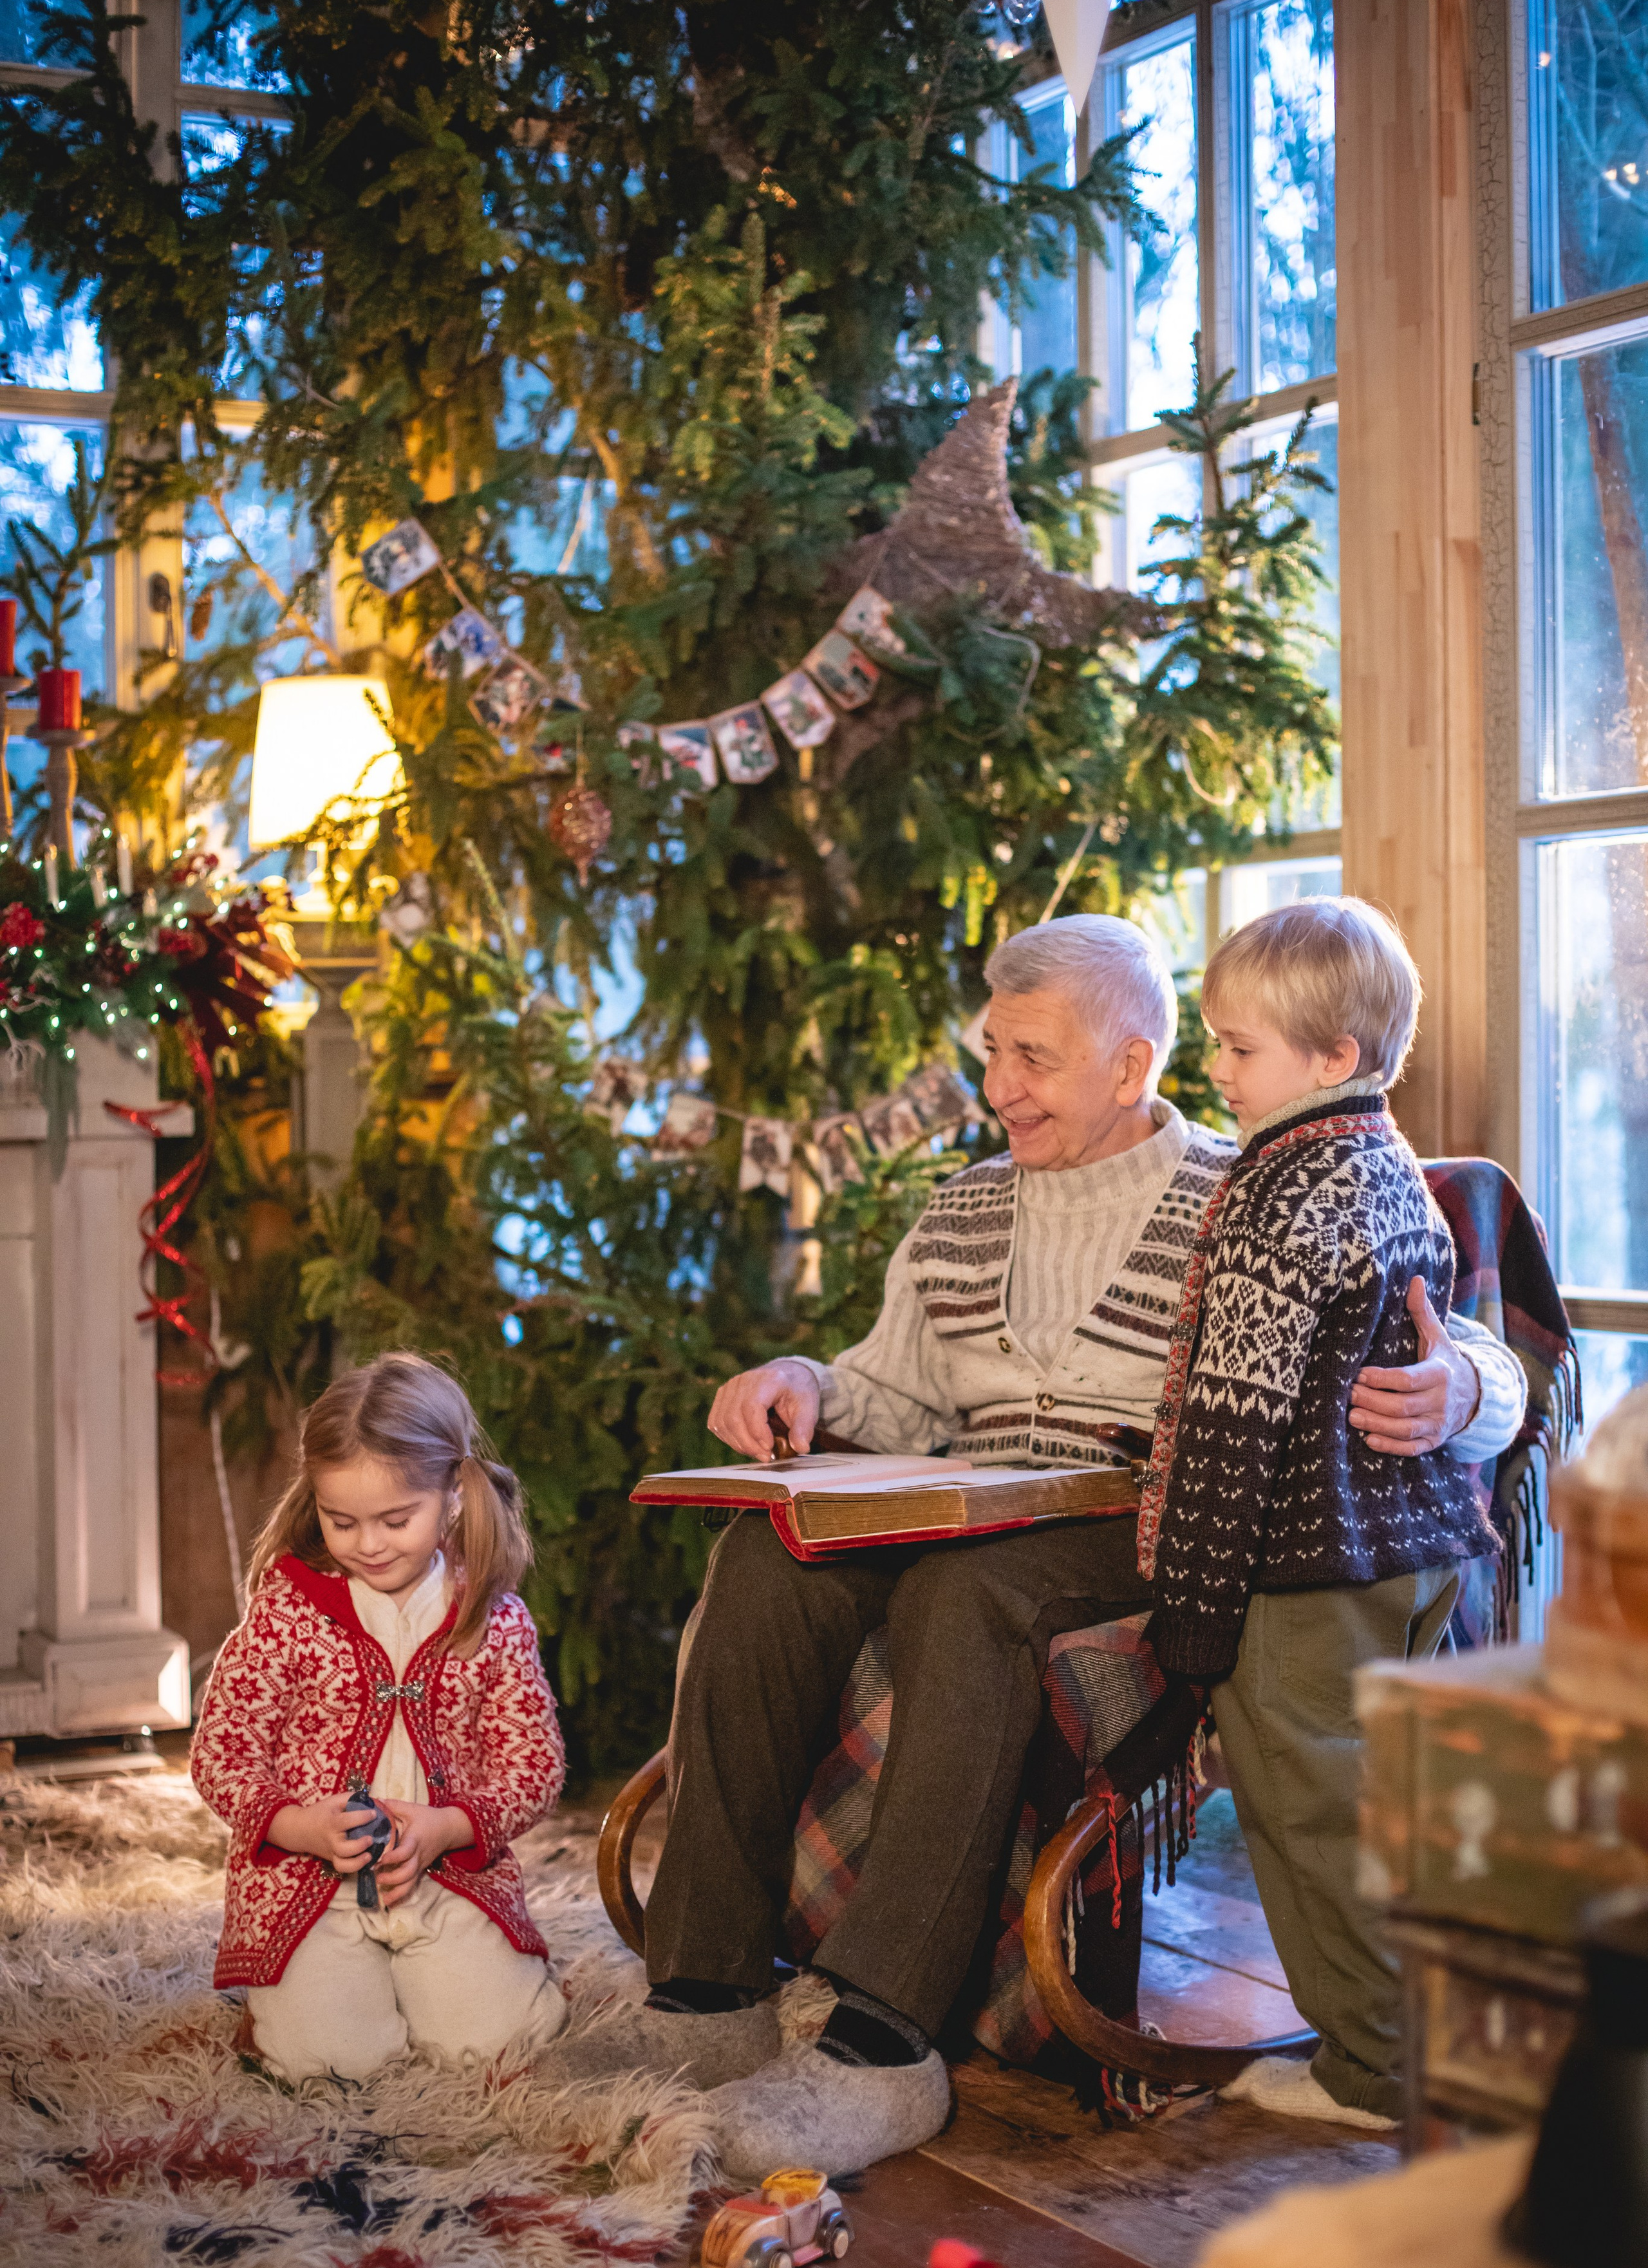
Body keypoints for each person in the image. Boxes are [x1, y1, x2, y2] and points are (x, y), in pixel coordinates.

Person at [548, 915, 1528, 2179]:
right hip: (965, 1501)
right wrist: (804, 1382)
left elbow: (1439, 1335)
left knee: (969, 1595)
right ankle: (702, 1998)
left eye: (1031, 1057)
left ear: (1129, 1068)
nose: (996, 1087)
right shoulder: (957, 1213)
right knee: (760, 1560)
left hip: (1147, 1521)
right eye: (989, 1051)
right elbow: (889, 1393)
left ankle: (878, 2039)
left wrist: (1462, 1392)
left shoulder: (1256, 1188)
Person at [1139, 899, 1496, 2128]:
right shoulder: (1388, 1160)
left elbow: (1233, 1425)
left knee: (1313, 1813)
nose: (1218, 1071)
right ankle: (1419, 2028)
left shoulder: (1280, 1188)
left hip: (1308, 1566)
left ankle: (1377, 2068)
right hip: (1411, 1548)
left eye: (1240, 1049)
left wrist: (1189, 1609)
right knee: (1381, 1805)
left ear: (1332, 1058)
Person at [191, 1353, 568, 2085]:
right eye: (342, 1521)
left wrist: (450, 1828)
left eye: (397, 1520)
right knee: (332, 2064)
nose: (368, 1544)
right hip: (307, 1885)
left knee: (492, 2050)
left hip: (448, 1877)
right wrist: (299, 1828)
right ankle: (296, 2001)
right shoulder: (288, 1611)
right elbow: (222, 1755)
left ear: (453, 1497)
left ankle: (455, 1983)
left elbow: (534, 1767)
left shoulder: (494, 1620)